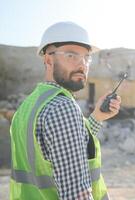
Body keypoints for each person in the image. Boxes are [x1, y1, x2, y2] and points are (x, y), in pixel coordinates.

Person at [10, 21, 121, 200]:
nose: (82, 65)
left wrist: (97, 117)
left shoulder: (27, 107)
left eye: (87, 57)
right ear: (48, 60)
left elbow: (60, 145)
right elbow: (77, 195)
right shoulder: (62, 107)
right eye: (71, 55)